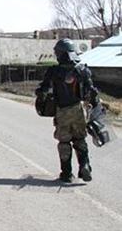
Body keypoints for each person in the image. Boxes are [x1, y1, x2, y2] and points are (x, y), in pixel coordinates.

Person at [36, 38, 99, 183]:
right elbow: (92, 92)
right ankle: (85, 166)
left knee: (64, 142)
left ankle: (66, 174)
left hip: (62, 111)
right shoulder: (82, 69)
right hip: (80, 110)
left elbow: (42, 91)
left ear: (61, 54)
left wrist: (41, 99)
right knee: (80, 139)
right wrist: (96, 107)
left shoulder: (53, 71)